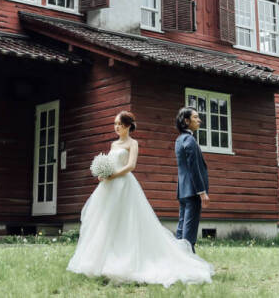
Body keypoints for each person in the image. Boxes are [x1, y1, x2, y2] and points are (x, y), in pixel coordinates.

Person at [66, 111, 213, 287]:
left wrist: (112, 175)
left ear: (128, 126)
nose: (116, 127)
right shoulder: (113, 145)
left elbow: (130, 166)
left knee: (127, 221)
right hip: (108, 187)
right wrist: (103, 173)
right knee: (105, 221)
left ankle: (130, 260)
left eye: (119, 124)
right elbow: (111, 163)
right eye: (115, 124)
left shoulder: (133, 143)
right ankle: (102, 260)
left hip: (124, 185)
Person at [174, 107, 209, 252]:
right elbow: (194, 168)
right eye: (196, 117)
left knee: (182, 228)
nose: (199, 120)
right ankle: (189, 261)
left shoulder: (179, 139)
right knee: (189, 230)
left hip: (183, 190)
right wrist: (202, 192)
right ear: (186, 121)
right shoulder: (189, 140)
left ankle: (178, 258)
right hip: (193, 191)